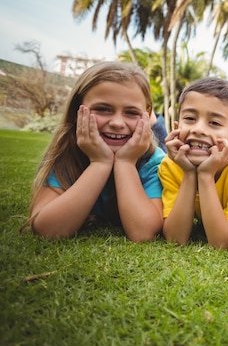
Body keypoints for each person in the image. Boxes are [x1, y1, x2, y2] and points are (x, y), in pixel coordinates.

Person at [25, 61, 165, 242]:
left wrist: (125, 163)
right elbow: (48, 230)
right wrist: (100, 163)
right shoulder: (68, 154)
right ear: (77, 111)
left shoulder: (153, 162)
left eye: (131, 112)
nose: (117, 123)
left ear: (147, 115)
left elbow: (144, 233)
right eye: (103, 109)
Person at [158, 77, 228, 248]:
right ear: (177, 126)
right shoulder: (171, 164)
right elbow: (175, 239)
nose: (198, 129)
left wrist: (206, 175)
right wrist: (189, 173)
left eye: (214, 123)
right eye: (190, 118)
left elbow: (221, 243)